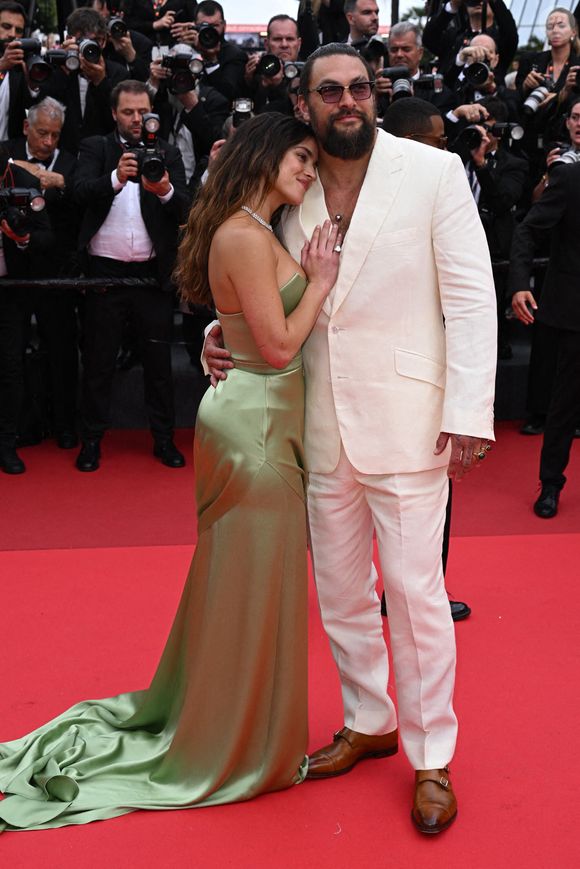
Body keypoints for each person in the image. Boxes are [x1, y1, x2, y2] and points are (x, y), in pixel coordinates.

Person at [0, 112, 340, 830]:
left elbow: (245, 326)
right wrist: (320, 280)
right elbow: (279, 348)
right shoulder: (246, 235)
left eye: (313, 162)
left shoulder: (250, 228)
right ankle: (236, 746)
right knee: (249, 587)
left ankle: (243, 732)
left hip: (254, 418)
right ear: (263, 155)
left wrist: (226, 331)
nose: (309, 171)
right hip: (256, 428)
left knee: (245, 587)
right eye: (300, 158)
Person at [205, 43, 497, 834]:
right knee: (340, 594)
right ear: (305, 103)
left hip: (410, 420)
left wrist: (469, 410)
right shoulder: (290, 182)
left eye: (359, 87)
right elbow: (265, 278)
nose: (347, 100)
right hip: (317, 423)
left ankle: (433, 754)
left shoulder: (431, 174)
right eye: (329, 90)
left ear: (378, 94)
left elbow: (473, 298)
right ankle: (370, 719)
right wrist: (219, 327)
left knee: (415, 594)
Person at [73, 79, 188, 472]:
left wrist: (166, 190)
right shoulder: (97, 148)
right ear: (113, 114)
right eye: (129, 112)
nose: (137, 119)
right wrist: (115, 178)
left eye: (143, 112)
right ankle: (91, 441)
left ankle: (164, 440)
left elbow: (187, 211)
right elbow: (78, 191)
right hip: (103, 273)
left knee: (158, 364)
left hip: (151, 276)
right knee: (99, 362)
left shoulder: (167, 153)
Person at [1, 97, 80, 449]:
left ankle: (64, 425)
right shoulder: (7, 153)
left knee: (62, 353)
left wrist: (59, 184)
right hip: (13, 275)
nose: (48, 141)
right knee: (11, 357)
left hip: (57, 273)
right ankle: (14, 430)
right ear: (25, 128)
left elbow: (80, 209)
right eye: (42, 132)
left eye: (55, 135)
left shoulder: (71, 164)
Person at [510, 138, 580, 520]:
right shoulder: (569, 178)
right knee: (564, 406)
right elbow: (527, 230)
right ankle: (551, 483)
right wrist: (520, 282)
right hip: (572, 313)